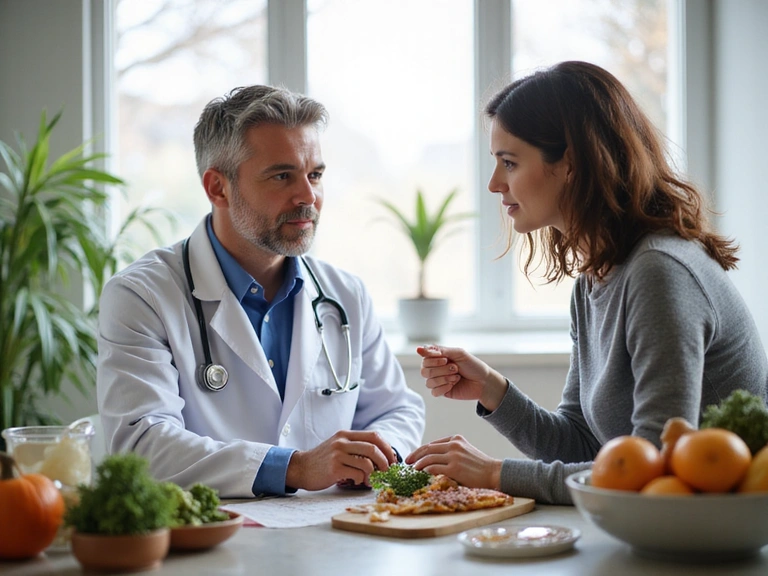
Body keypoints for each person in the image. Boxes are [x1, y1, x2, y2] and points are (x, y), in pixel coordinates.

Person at [405, 61, 768, 505]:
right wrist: (492, 390)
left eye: (509, 162)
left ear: (571, 163)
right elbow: (586, 445)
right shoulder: (594, 280)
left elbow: (651, 467)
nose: (494, 184)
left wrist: (495, 473)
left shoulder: (659, 273)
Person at [97, 85, 425, 498]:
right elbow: (141, 445)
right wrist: (295, 468)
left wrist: (379, 453)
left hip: (334, 539)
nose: (309, 197)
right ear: (218, 188)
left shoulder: (345, 294)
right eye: (282, 176)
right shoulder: (141, 296)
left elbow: (397, 408)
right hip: (214, 543)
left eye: (315, 175)